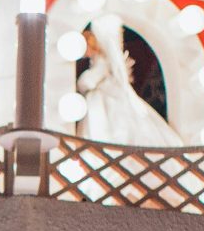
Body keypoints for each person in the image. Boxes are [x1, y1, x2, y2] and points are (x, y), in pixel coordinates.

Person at [77, 14, 182, 148]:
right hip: (107, 96)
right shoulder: (101, 61)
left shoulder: (102, 62)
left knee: (108, 127)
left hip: (105, 99)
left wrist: (82, 83)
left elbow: (89, 81)